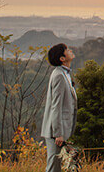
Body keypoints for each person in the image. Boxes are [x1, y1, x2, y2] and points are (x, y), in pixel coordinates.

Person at [41, 43, 78, 172]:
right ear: (62, 58)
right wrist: (58, 134)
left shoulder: (64, 73)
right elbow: (55, 106)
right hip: (55, 132)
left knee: (56, 167)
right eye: (67, 50)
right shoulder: (59, 75)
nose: (70, 50)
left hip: (60, 130)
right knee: (53, 168)